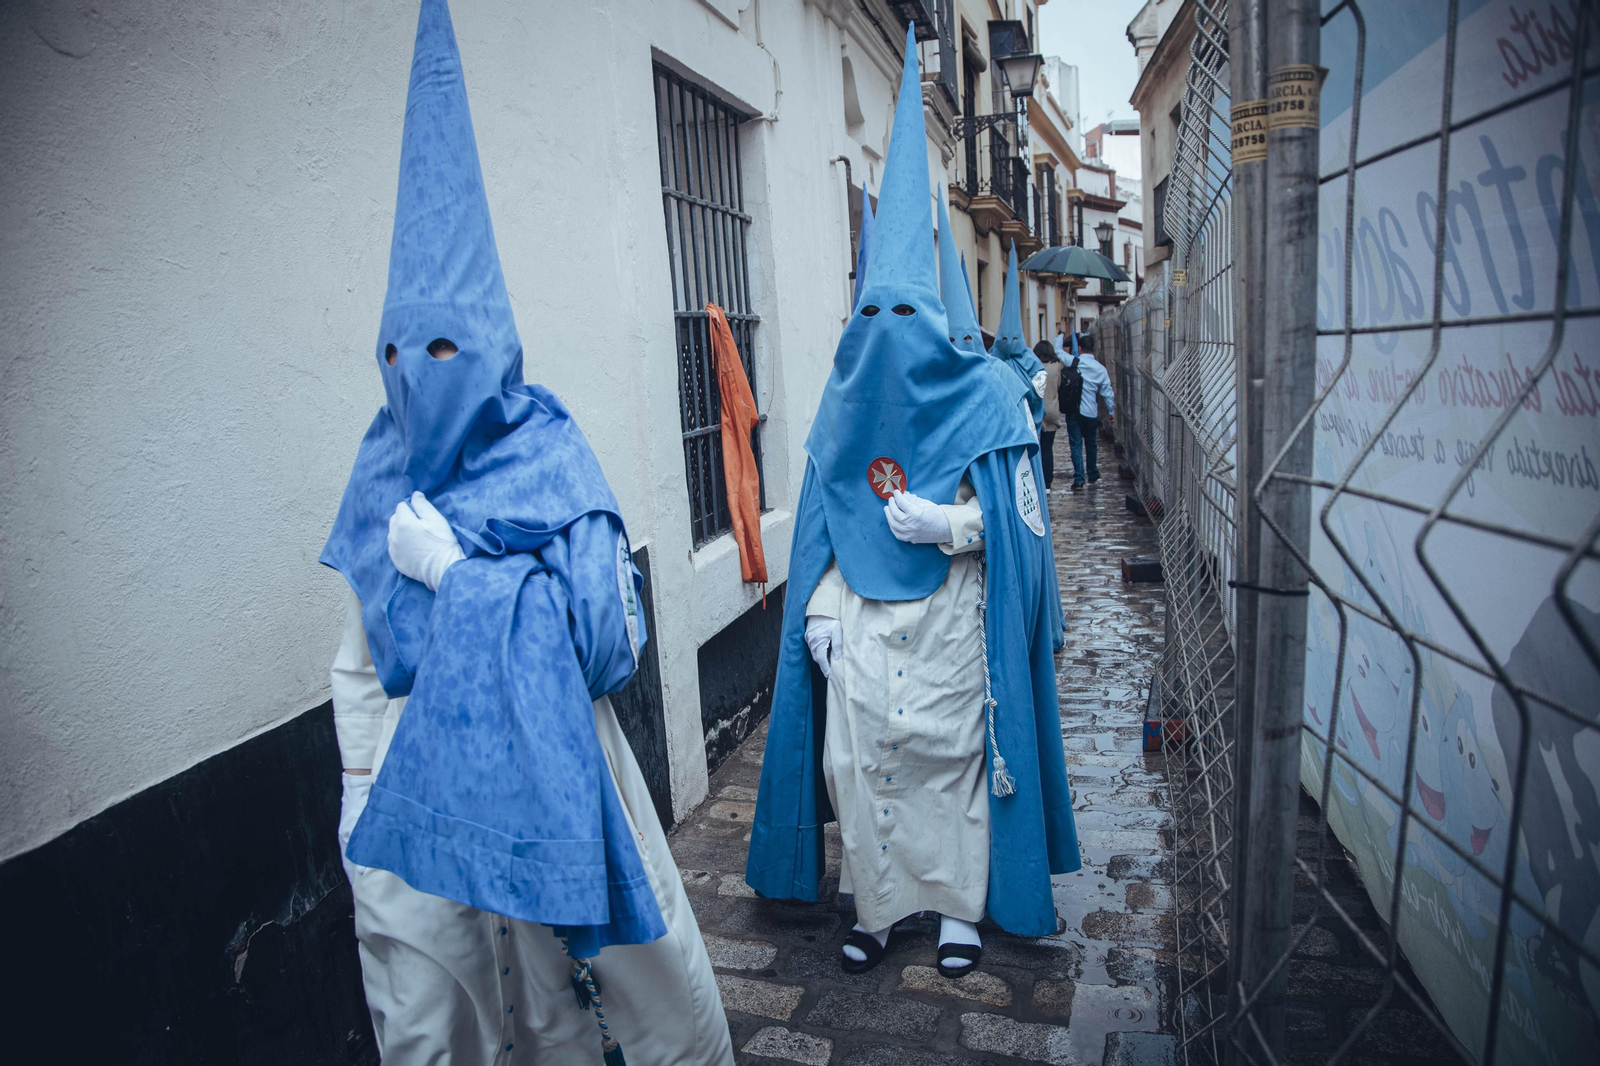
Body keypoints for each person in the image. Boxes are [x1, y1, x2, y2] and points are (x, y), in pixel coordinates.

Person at [320, 4, 731, 1062]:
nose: (420, 371)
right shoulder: (380, 462)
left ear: (495, 346)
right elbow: (361, 648)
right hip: (418, 792)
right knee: (439, 1014)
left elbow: (602, 642)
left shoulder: (548, 451)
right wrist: (359, 781)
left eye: (447, 344)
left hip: (554, 771)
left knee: (586, 1006)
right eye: (398, 350)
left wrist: (462, 578)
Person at [745, 25, 1080, 982]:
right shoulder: (841, 403)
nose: (887, 335)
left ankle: (960, 910)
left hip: (946, 619)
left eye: (906, 315)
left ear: (934, 321)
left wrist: (952, 527)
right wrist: (814, 613)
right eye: (873, 315)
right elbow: (817, 532)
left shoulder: (984, 398)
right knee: (862, 770)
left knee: (948, 763)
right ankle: (877, 907)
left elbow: (1023, 527)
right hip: (856, 622)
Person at [1067, 331, 1115, 491]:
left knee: (1076, 445)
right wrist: (1111, 411)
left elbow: (1059, 353)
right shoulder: (1100, 369)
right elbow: (1107, 391)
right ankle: (1093, 473)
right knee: (1091, 444)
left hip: (1074, 411)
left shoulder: (1074, 363)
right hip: (1091, 412)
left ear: (1079, 348)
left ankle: (1079, 479)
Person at [1034, 340, 1063, 490]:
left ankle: (1037, 480)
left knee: (1036, 449)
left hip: (1037, 411)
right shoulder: (1056, 368)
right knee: (1047, 449)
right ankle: (1047, 483)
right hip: (1052, 410)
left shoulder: (1034, 368)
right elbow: (1059, 386)